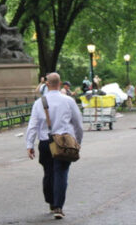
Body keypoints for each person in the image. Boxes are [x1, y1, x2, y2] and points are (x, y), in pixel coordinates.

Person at [25, 72, 84, 220]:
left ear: (46, 84)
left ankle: (51, 201)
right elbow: (78, 123)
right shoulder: (68, 101)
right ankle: (58, 206)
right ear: (60, 83)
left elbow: (33, 125)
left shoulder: (39, 103)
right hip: (64, 142)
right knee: (61, 173)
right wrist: (78, 141)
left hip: (45, 142)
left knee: (48, 172)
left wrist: (29, 144)